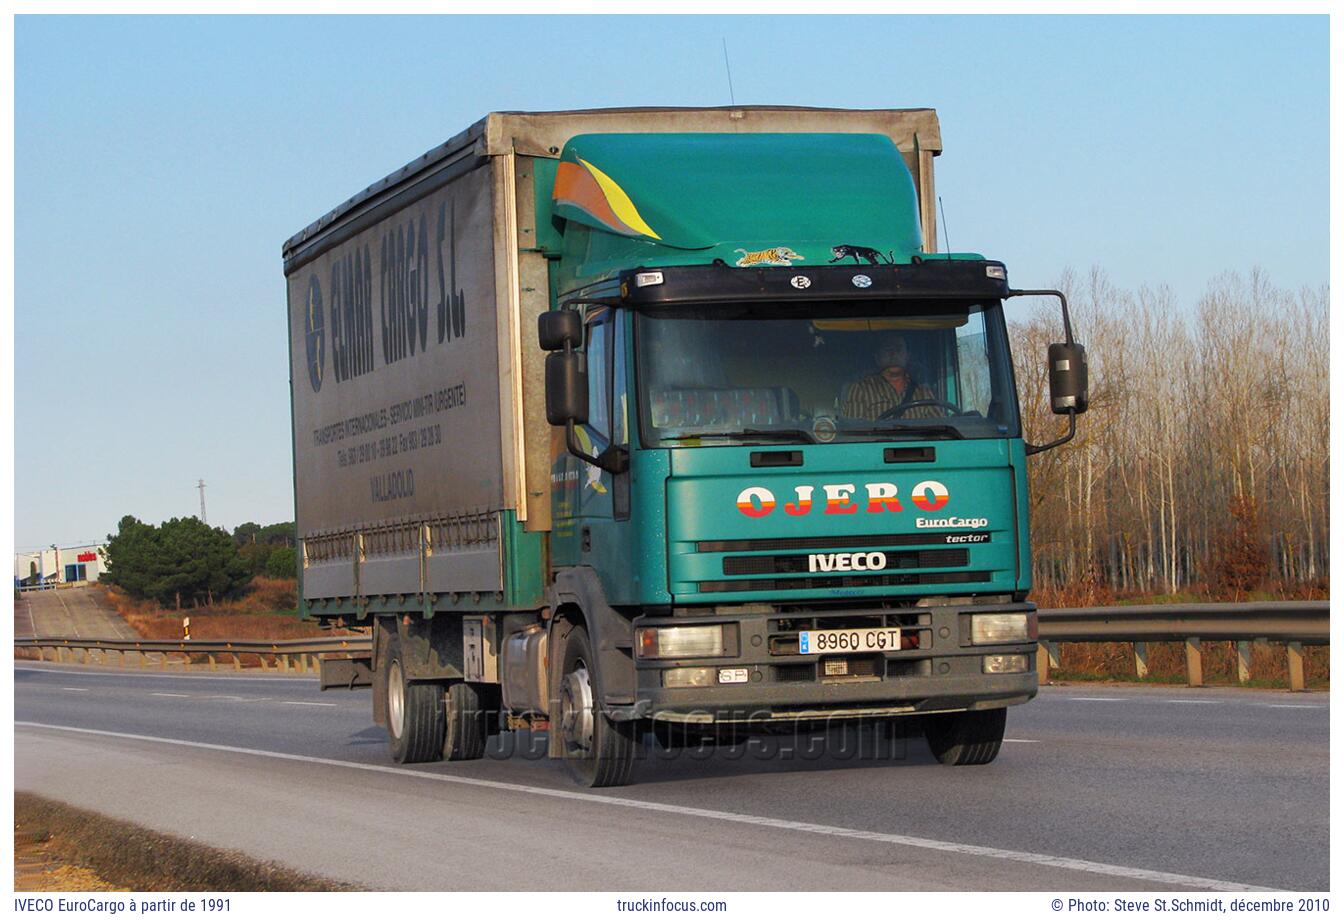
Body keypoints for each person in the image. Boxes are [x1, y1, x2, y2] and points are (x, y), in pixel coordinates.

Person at [841, 334, 940, 419]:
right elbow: (853, 431)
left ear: (907, 356)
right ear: (877, 358)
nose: (894, 354)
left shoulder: (923, 393)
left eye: (899, 349)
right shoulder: (861, 389)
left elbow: (940, 429)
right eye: (888, 349)